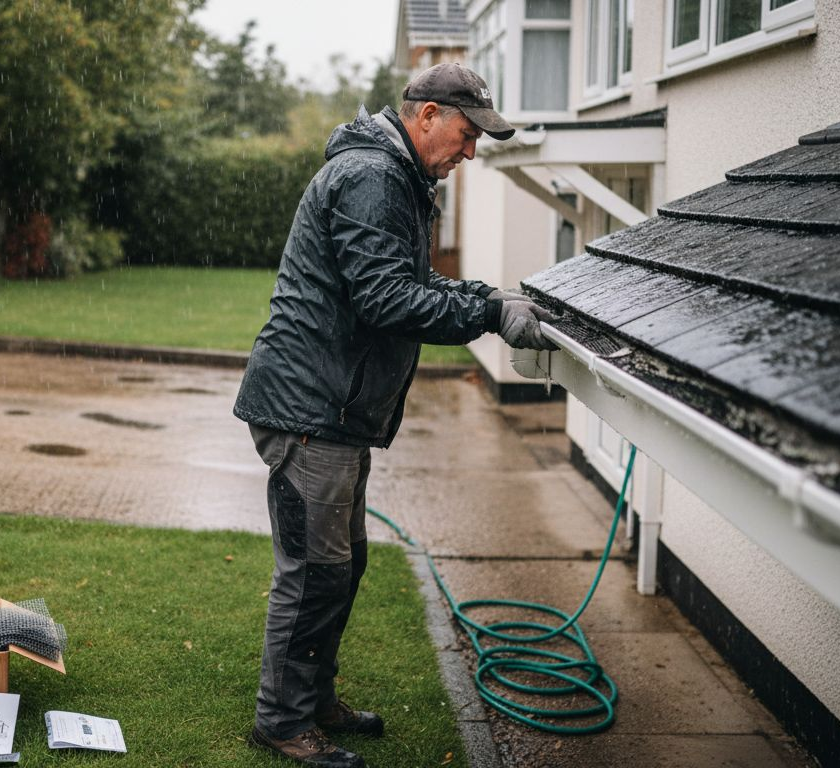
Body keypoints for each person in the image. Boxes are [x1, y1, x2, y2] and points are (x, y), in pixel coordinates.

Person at [233, 62, 555, 768]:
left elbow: (402, 285)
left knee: (341, 569)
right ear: (428, 115)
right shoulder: (375, 178)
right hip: (308, 407)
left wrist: (483, 295)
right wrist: (491, 312)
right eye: (467, 134)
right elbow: (387, 299)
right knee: (315, 573)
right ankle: (282, 723)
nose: (471, 151)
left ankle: (313, 700)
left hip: (333, 408)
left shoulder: (398, 177)